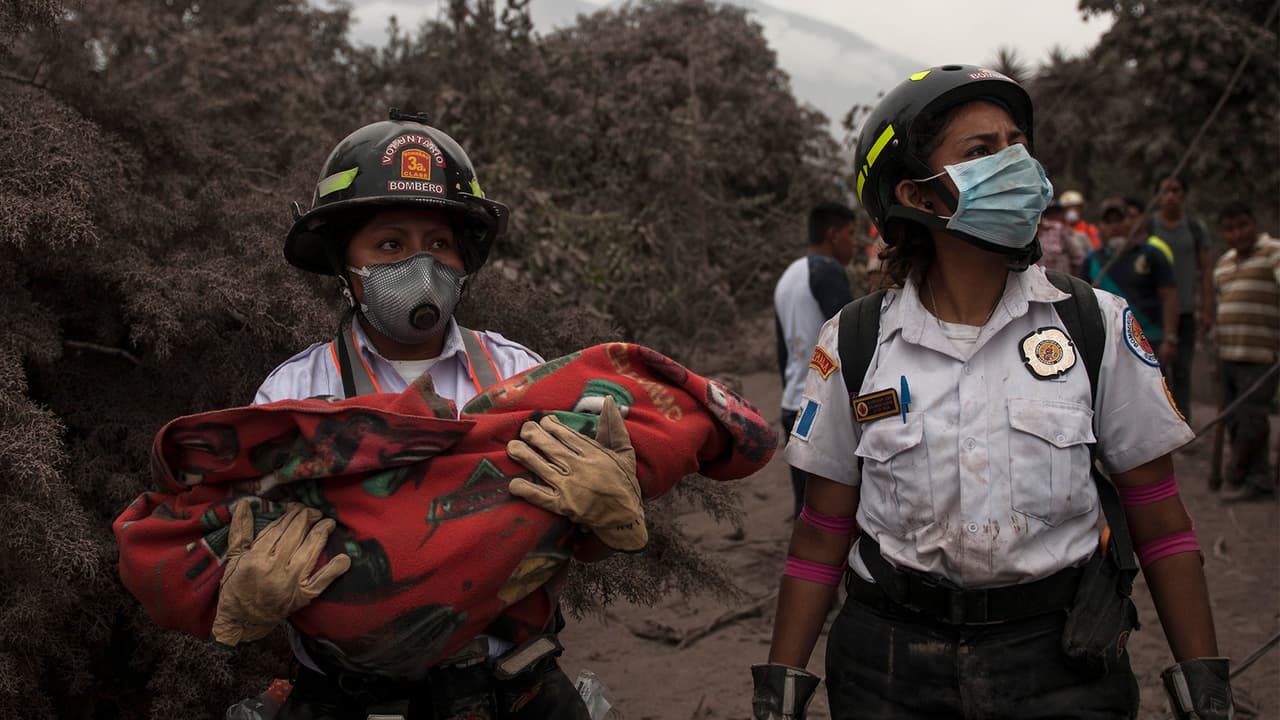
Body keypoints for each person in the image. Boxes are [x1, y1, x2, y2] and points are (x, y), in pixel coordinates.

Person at [751, 65, 1233, 720]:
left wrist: (1203, 685)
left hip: (1062, 663)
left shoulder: (1095, 325)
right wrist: (780, 690)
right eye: (982, 151)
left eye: (1017, 143)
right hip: (887, 666)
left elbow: (1160, 518)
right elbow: (821, 532)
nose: (1017, 164)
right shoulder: (856, 341)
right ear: (917, 196)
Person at [216, 110, 641, 719]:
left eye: (439, 244)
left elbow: (565, 537)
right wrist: (249, 597)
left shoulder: (520, 375)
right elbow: (249, 537)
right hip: (350, 703)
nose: (422, 265)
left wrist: (606, 522)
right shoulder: (296, 391)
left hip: (512, 692)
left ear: (464, 260)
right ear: (345, 264)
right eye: (391, 244)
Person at [774, 202, 855, 518]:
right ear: (832, 234)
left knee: (806, 506)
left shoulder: (788, 276)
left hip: (793, 405)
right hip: (822, 407)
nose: (853, 242)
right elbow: (851, 336)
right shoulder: (827, 270)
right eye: (850, 233)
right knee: (831, 510)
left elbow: (782, 351)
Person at [1209, 201, 1280, 502]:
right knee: (1236, 419)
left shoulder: (1273, 252)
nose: (1237, 234)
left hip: (1261, 353)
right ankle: (1259, 477)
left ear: (1254, 224)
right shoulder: (1224, 264)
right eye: (1229, 229)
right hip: (1228, 353)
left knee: (1253, 416)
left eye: (1242, 226)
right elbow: (1221, 304)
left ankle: (1238, 474)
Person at [1081, 196, 1178, 367]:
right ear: (1100, 227)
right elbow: (1083, 303)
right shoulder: (1091, 261)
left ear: (1130, 222)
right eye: (1108, 222)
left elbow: (1169, 295)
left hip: (1150, 340)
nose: (1114, 227)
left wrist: (1169, 338)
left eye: (1119, 220)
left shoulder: (1151, 254)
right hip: (1109, 343)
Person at [1148, 173, 1212, 422]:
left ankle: (1184, 423)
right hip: (1155, 314)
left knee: (1183, 371)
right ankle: (1160, 424)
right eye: (1165, 191)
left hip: (1185, 311)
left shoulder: (1194, 228)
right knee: (1156, 373)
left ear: (1183, 194)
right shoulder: (1149, 227)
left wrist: (1207, 308)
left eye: (1176, 190)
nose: (1171, 196)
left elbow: (1205, 269)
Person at [1037, 199, 1088, 276]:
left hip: (1058, 279)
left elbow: (1077, 257)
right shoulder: (1033, 231)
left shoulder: (1061, 231)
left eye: (1056, 212)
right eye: (1050, 213)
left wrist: (1072, 279)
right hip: (1036, 279)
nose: (1054, 215)